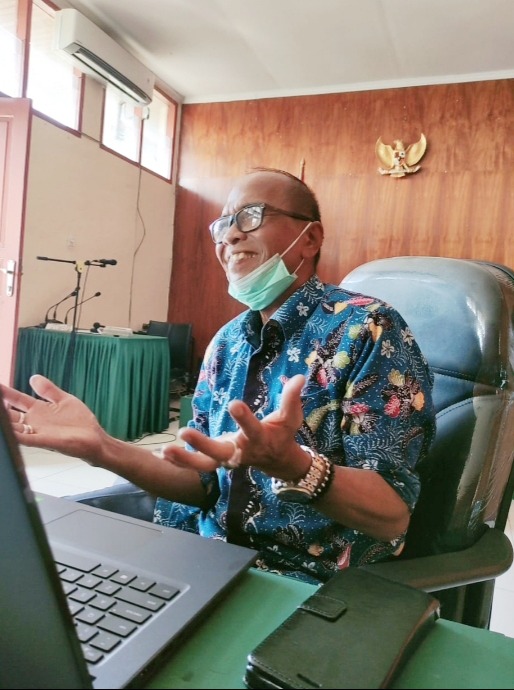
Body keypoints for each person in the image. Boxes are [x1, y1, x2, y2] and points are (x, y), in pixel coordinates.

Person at [1, 168, 435, 584]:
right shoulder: (227, 342)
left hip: (302, 577)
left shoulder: (368, 328)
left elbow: (391, 515)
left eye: (251, 216)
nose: (230, 235)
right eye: (223, 224)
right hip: (203, 549)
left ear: (310, 238)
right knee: (36, 549)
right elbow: (202, 482)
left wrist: (293, 465)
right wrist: (102, 447)